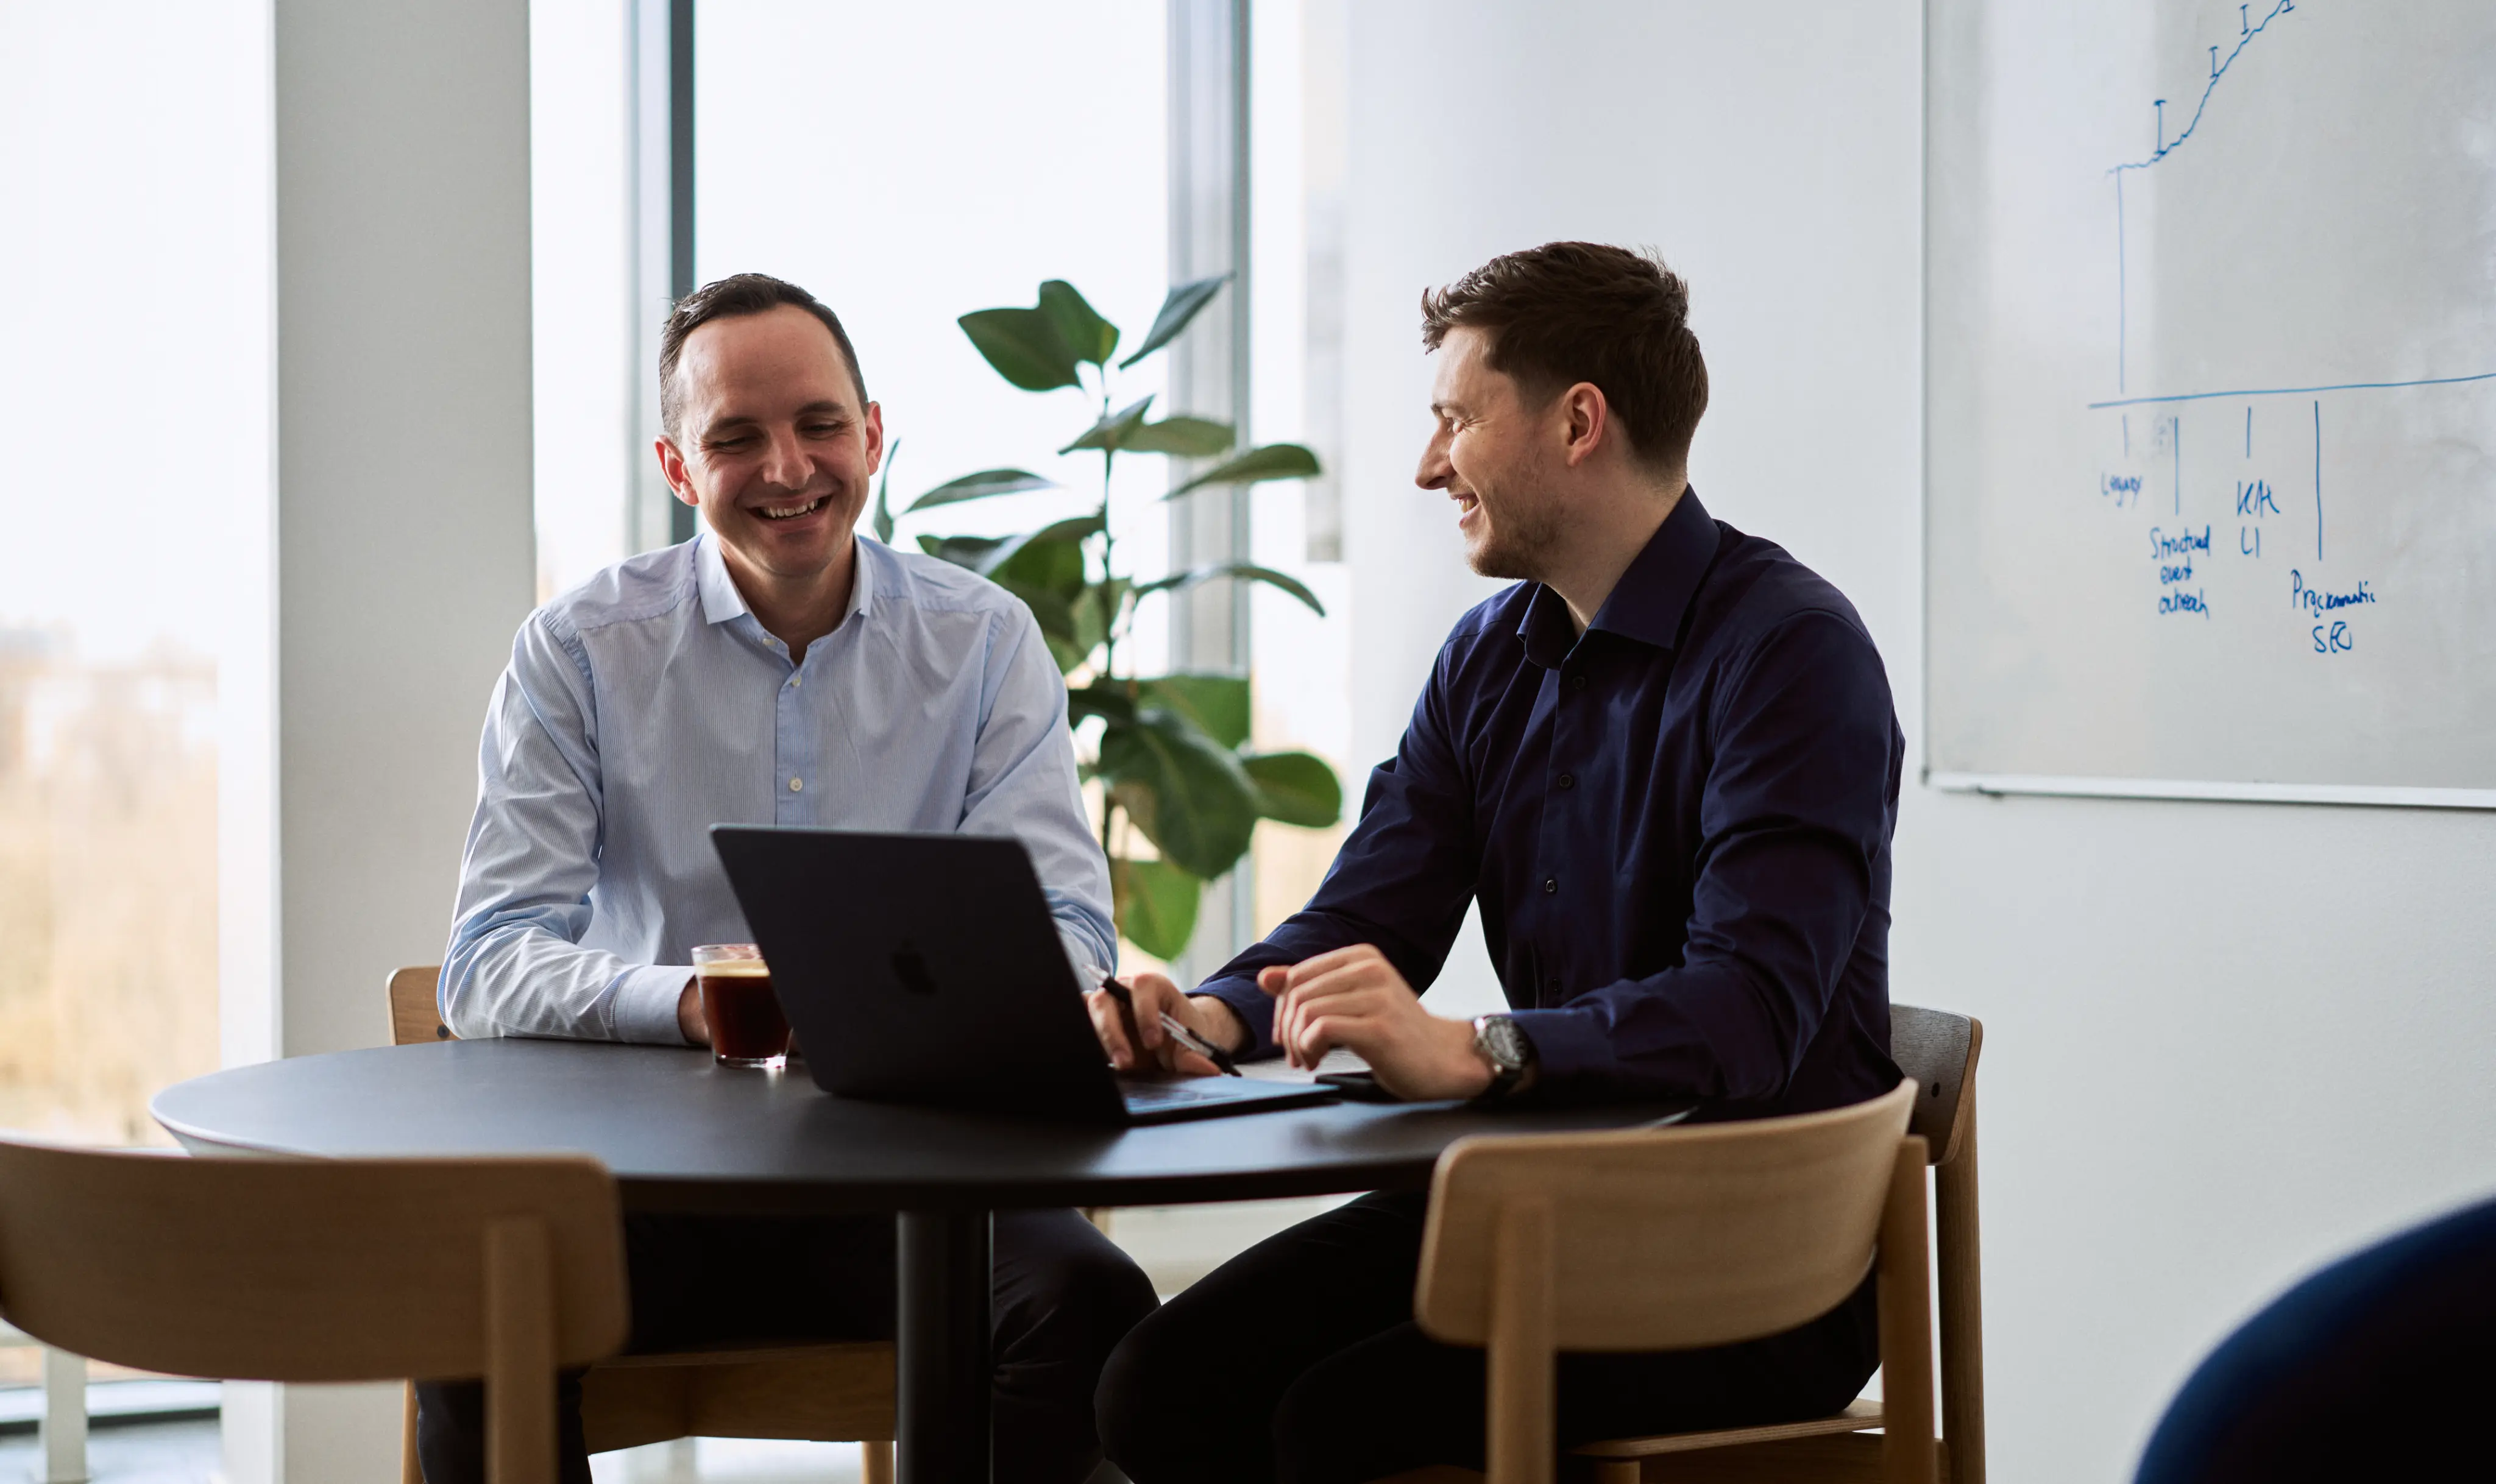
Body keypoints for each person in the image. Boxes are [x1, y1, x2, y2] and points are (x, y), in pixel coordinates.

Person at [1091, 242, 1906, 1483]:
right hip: (1546, 1205)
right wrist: (1206, 1014)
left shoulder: (1792, 654)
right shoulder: (1486, 659)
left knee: (1333, 1424)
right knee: (1155, 1388)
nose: (1428, 466)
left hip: (1752, 1253)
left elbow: (1749, 1011)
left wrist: (1482, 1048)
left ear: (1577, 422)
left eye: (1452, 420)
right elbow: (1368, 915)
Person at [427, 272, 1157, 1484]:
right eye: (734, 438)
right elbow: (487, 957)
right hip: (641, 1186)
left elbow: (1071, 929)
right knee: (468, 1310)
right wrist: (696, 1002)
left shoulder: (983, 642)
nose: (786, 467)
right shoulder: (577, 651)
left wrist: (951, 1001)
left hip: (912, 1187)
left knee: (1084, 1301)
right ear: (676, 466)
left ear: (872, 434)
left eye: (819, 424)